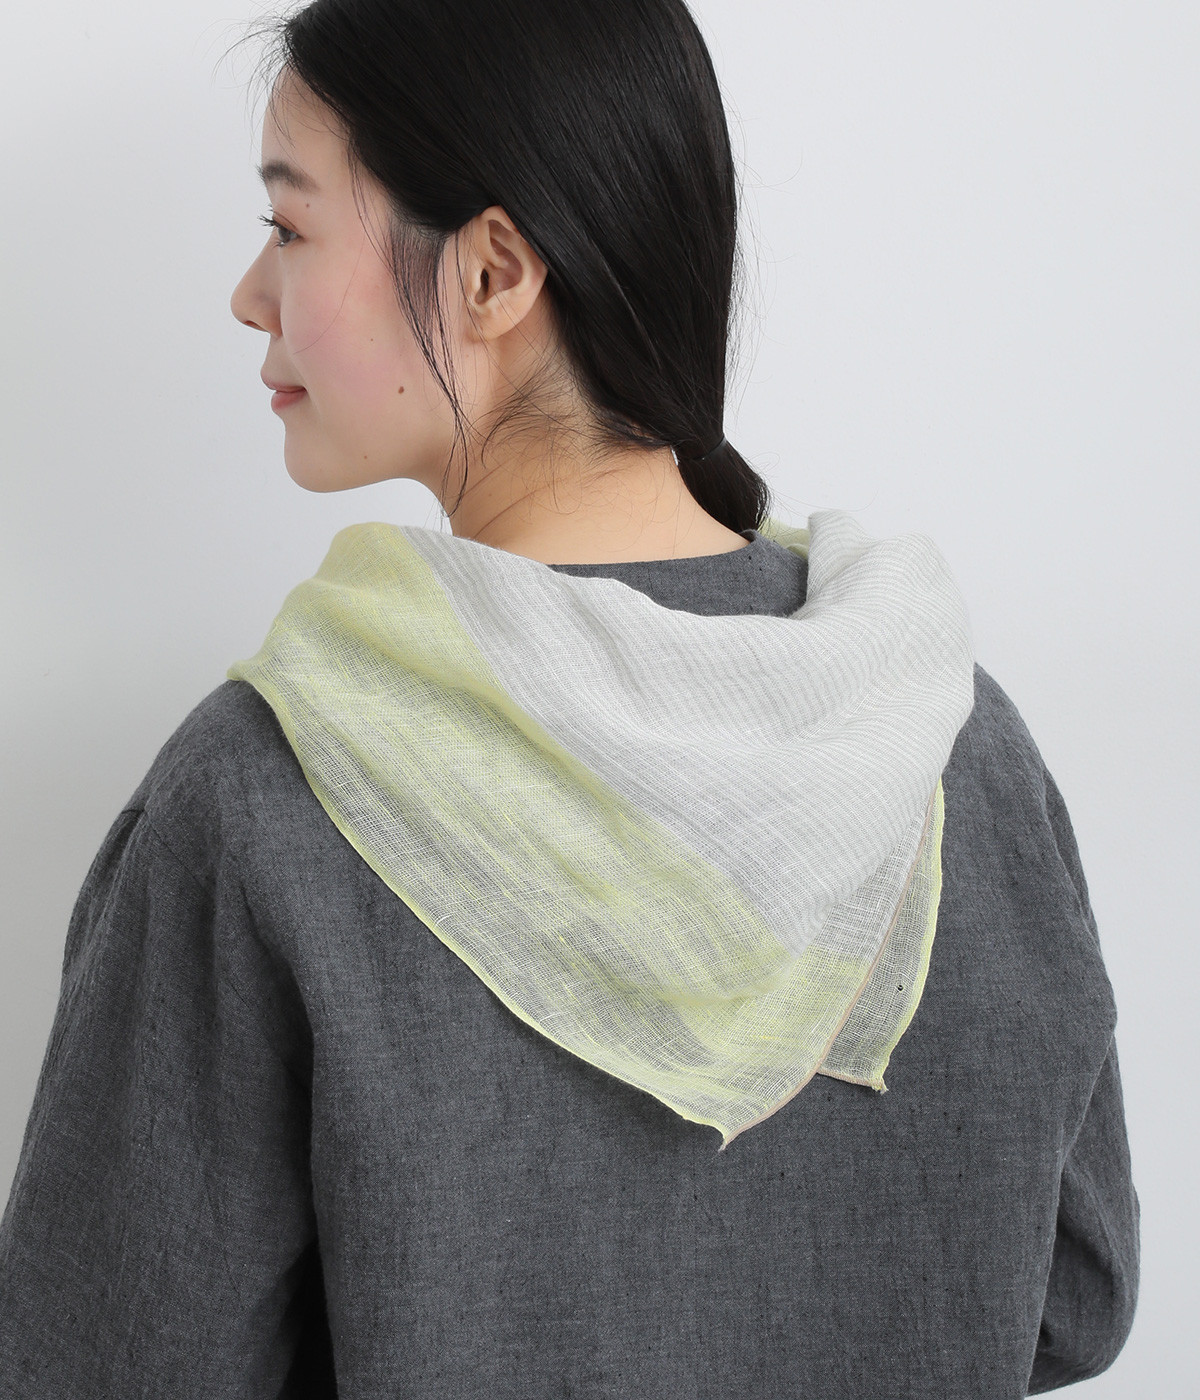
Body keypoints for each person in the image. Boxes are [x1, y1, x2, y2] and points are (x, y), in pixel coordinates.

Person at [0, 1, 1138, 1396]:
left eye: (290, 227)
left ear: (491, 273)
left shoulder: (268, 793)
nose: (251, 292)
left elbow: (99, 1358)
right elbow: (1075, 1298)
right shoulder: (955, 741)